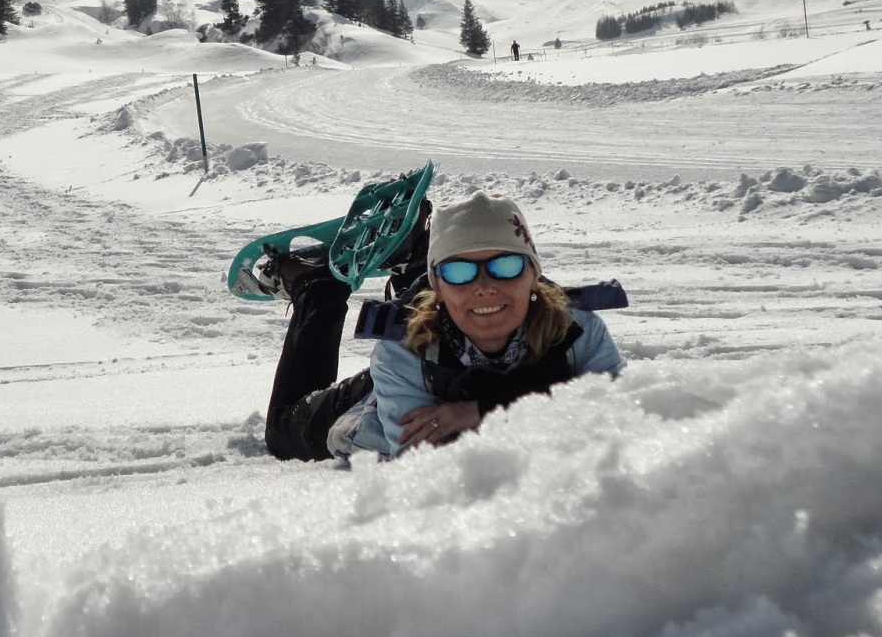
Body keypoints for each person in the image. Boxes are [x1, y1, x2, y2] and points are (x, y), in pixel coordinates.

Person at [258, 190, 622, 462]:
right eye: (458, 271)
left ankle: (420, 250)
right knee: (284, 432)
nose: (485, 285)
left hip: (440, 363)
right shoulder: (401, 350)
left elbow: (616, 420)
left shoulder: (578, 332)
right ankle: (318, 288)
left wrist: (482, 409)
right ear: (438, 286)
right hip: (406, 378)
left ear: (534, 276)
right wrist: (546, 402)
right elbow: (429, 464)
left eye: (506, 266)